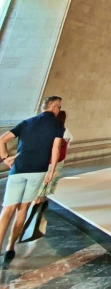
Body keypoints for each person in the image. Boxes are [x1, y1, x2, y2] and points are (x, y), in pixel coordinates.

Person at [0, 96, 65, 263]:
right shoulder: (56, 125)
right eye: (59, 107)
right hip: (38, 170)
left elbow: (2, 140)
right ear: (55, 107)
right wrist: (51, 171)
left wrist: (6, 158)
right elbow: (55, 149)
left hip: (19, 168)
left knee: (7, 210)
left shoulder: (26, 122)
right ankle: (10, 246)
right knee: (23, 208)